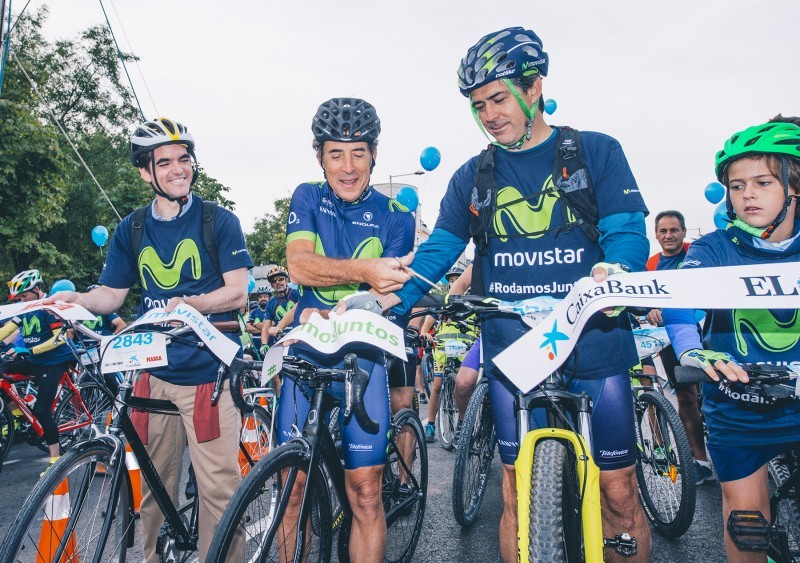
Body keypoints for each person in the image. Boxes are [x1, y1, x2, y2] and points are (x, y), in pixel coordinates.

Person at [379, 27, 651, 562]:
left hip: (593, 345)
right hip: (512, 353)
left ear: (535, 88)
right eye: (479, 106)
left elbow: (626, 230)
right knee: (516, 493)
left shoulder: (595, 151)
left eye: (498, 99)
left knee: (618, 492)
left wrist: (616, 269)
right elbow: (438, 252)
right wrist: (393, 303)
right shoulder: (472, 177)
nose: (489, 115)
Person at [47, 117, 252, 562]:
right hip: (152, 371)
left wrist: (190, 304)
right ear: (146, 172)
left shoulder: (219, 220)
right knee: (154, 490)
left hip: (206, 376)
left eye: (184, 159)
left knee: (219, 490)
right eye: (165, 162)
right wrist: (76, 299)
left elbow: (238, 290)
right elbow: (111, 294)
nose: (179, 169)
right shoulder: (132, 229)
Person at [278, 97, 415, 562]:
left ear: (374, 153)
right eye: (336, 153)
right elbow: (299, 266)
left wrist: (352, 290)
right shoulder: (307, 197)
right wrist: (365, 270)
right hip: (307, 357)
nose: (348, 166)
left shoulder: (397, 215)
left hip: (363, 359)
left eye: (359, 152)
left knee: (366, 494)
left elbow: (390, 292)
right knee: (290, 490)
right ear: (320, 157)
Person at [664, 121, 800, 562]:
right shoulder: (714, 248)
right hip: (738, 407)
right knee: (748, 528)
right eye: (737, 185)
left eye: (763, 182)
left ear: (794, 187)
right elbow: (680, 305)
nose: (747, 195)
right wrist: (692, 349)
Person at [642, 211, 713, 485]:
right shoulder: (650, 264)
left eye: (674, 230)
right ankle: (663, 449)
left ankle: (700, 461)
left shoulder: (697, 253)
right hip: (664, 335)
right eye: (663, 231)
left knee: (688, 397)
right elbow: (642, 300)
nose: (669, 236)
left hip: (698, 332)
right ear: (657, 235)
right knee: (656, 389)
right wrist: (650, 309)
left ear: (683, 232)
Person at [0, 269, 74, 465]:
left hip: (54, 360)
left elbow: (61, 338)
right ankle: (23, 404)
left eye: (24, 295)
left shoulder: (49, 307)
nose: (21, 300)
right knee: (3, 367)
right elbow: (8, 329)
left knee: (42, 410)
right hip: (35, 359)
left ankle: (55, 461)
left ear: (37, 289)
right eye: (19, 297)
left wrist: (30, 351)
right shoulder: (26, 307)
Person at [423, 265, 478, 443]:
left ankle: (467, 424)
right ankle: (431, 423)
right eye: (452, 280)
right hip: (443, 350)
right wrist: (424, 331)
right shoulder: (444, 303)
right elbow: (430, 319)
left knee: (468, 386)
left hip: (465, 349)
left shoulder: (473, 302)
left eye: (457, 279)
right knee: (437, 386)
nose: (454, 282)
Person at [257, 265, 299, 351]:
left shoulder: (297, 294)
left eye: (280, 279)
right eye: (274, 281)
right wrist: (264, 344)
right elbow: (266, 327)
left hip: (298, 338)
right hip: (282, 341)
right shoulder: (270, 303)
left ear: (287, 280)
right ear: (272, 285)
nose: (277, 282)